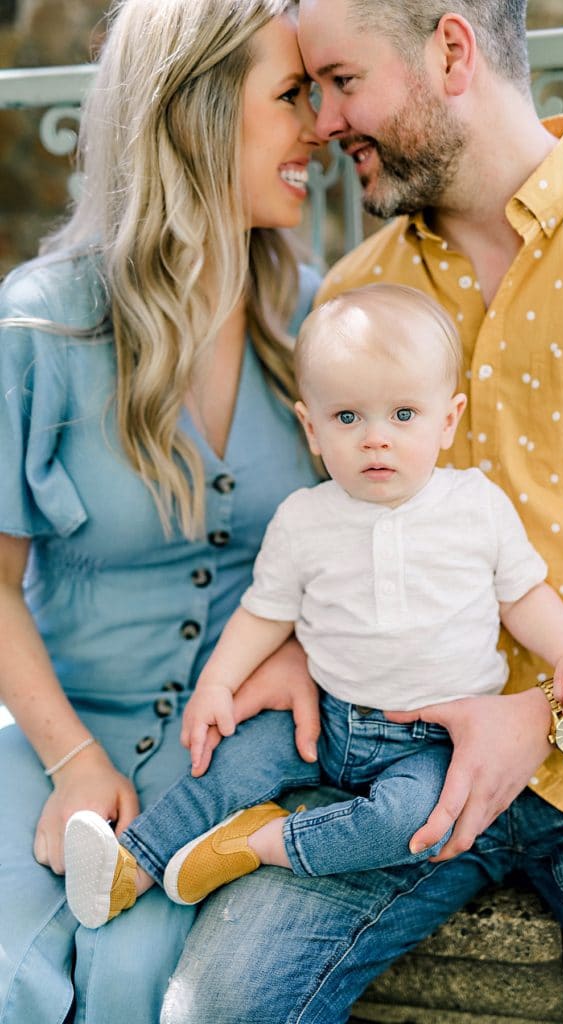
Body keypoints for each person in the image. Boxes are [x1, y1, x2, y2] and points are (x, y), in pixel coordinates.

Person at [157, 3, 563, 1024]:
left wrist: (542, 717)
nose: (319, 123)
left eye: (340, 82)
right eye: (307, 94)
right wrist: (300, 648)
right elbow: (340, 536)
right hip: (392, 769)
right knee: (210, 1005)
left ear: (450, 49)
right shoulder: (353, 299)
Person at [63, 282, 563, 926]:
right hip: (323, 718)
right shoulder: (305, 519)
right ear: (312, 427)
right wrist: (217, 681)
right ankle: (132, 865)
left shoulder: (475, 506)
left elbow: (524, 596)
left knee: (419, 824)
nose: (376, 439)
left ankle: (262, 843)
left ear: (449, 419)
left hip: (433, 741)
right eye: (348, 418)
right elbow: (266, 613)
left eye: (403, 415)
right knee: (227, 761)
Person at [0, 0, 326, 1019]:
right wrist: (70, 760)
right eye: (288, 97)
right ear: (197, 114)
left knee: (141, 983)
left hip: (222, 783)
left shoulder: (318, 326)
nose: (316, 126)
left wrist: (305, 652)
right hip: (59, 736)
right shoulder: (40, 327)